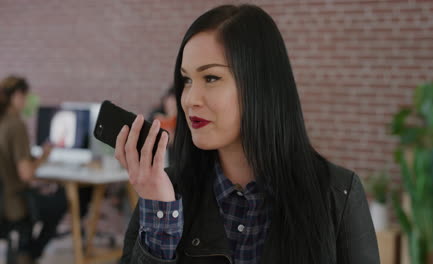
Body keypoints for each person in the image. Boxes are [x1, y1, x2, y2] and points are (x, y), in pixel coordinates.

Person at [117, 4, 379, 264]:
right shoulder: (165, 194)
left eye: (210, 78)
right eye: (186, 80)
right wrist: (161, 216)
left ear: (260, 84)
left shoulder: (337, 195)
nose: (189, 99)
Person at [0, 76, 67, 264]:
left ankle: (24, 250)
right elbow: (26, 174)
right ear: (17, 96)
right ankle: (29, 253)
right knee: (61, 200)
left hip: (3, 199)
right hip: (15, 203)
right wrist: (44, 157)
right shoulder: (15, 125)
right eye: (25, 96)